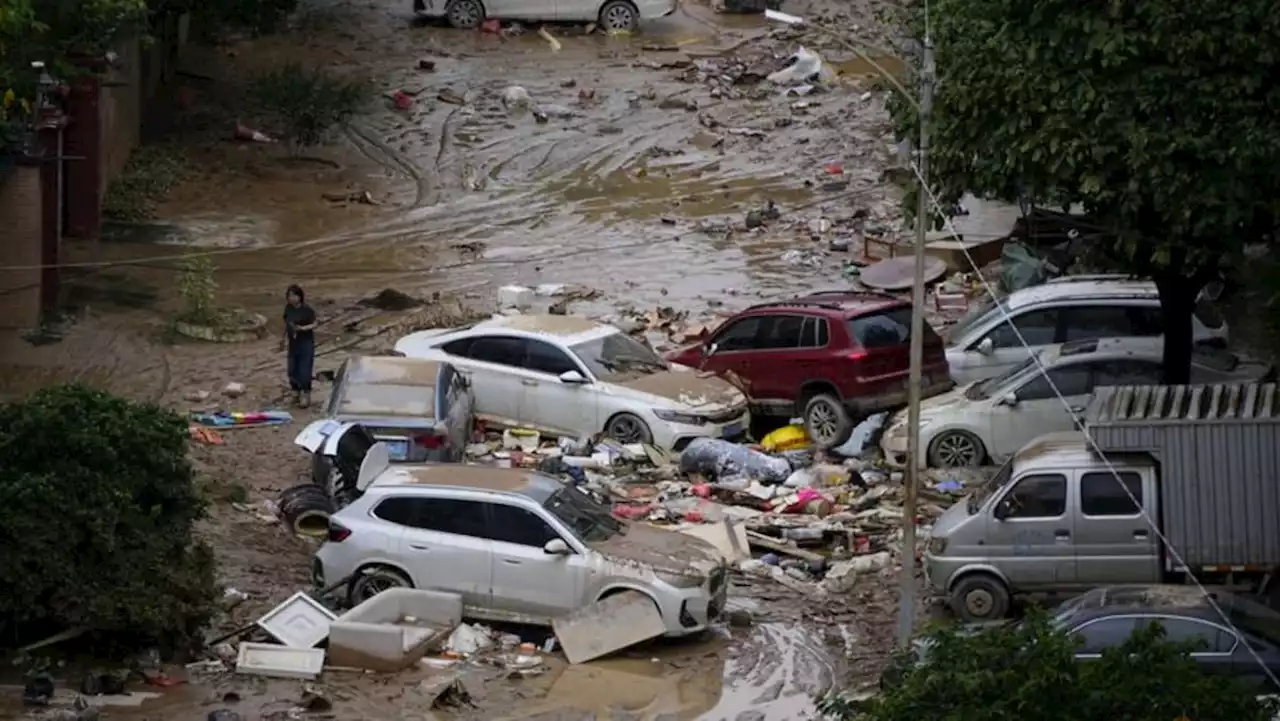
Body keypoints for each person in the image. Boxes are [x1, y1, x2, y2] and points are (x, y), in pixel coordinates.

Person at [282, 284, 317, 407]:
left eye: (294, 295)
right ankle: (295, 392)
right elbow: (287, 324)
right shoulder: (288, 309)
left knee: (304, 369)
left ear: (300, 296)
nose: (291, 298)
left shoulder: (307, 310)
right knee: (292, 368)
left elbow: (315, 323)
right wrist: (282, 340)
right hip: (293, 343)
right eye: (289, 296)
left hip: (305, 342)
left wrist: (303, 328)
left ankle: (305, 394)